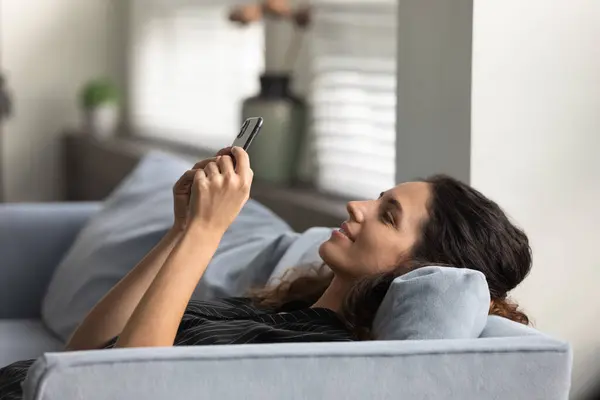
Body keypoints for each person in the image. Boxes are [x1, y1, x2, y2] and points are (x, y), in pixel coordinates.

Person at [0, 146, 531, 399]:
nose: (356, 207)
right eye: (377, 197)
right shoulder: (282, 308)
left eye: (386, 215)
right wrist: (180, 231)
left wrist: (208, 234)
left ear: (418, 269)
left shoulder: (311, 359)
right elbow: (82, 358)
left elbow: (123, 388)